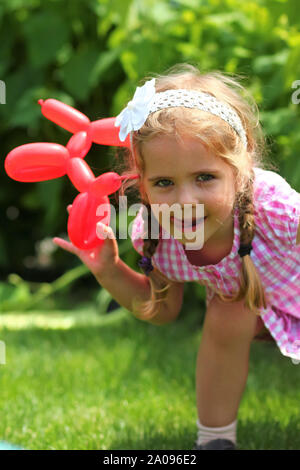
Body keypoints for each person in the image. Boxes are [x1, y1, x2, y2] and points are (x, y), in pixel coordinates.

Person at [52, 63, 300, 450]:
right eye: (165, 183)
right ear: (141, 184)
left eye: (204, 177)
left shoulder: (273, 207)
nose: (186, 202)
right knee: (227, 309)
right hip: (262, 310)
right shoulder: (158, 235)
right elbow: (161, 309)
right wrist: (108, 269)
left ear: (240, 168)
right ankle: (216, 441)